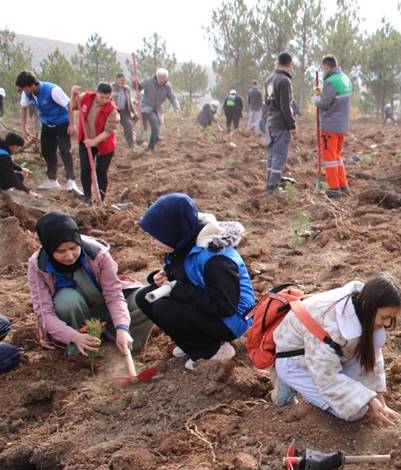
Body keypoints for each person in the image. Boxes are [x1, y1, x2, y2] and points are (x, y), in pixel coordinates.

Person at [135, 193, 254, 370]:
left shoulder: (216, 259)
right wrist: (161, 277)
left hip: (232, 319)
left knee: (164, 308)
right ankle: (193, 342)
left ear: (172, 231)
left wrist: (177, 289)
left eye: (155, 236)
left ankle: (213, 350)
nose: (151, 242)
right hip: (208, 305)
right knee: (144, 297)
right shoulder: (182, 242)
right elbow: (183, 272)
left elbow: (225, 306)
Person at [272, 274, 401, 425]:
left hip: (328, 355)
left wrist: (380, 399)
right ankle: (284, 385)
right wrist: (368, 400)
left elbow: (372, 356)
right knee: (355, 411)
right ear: (368, 305)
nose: (387, 323)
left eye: (391, 318)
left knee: (377, 337)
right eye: (384, 317)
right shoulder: (330, 322)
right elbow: (325, 376)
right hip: (296, 358)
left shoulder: (363, 309)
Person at [26, 211, 152, 357]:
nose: (69, 256)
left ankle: (121, 343)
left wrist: (122, 327)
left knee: (146, 298)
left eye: (73, 248)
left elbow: (114, 296)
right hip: (73, 319)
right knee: (66, 300)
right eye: (61, 251)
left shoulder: (98, 254)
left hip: (104, 307)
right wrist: (73, 336)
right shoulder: (38, 265)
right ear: (48, 249)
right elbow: (44, 313)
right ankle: (82, 347)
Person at [15, 71, 80, 193]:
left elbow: (69, 106)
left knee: (64, 149)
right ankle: (52, 179)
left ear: (31, 85)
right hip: (47, 123)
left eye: (23, 88)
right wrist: (24, 127)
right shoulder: (27, 94)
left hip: (62, 122)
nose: (22, 91)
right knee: (46, 150)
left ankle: (71, 181)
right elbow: (23, 108)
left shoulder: (53, 90)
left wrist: (72, 124)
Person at [70, 83, 120, 206]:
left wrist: (94, 141)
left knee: (101, 172)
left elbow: (109, 131)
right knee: (86, 169)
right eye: (102, 97)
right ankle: (87, 196)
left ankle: (100, 199)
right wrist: (73, 94)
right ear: (96, 93)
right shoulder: (86, 97)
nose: (105, 100)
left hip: (104, 144)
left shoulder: (112, 110)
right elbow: (73, 106)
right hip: (85, 140)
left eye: (107, 98)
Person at [312, 55, 353, 199]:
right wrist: (319, 90)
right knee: (336, 157)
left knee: (329, 158)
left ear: (327, 66)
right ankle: (343, 186)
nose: (323, 71)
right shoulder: (345, 79)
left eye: (323, 68)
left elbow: (324, 103)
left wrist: (315, 98)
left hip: (330, 126)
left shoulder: (330, 82)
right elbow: (332, 98)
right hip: (342, 126)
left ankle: (334, 189)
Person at [265, 53, 297, 194]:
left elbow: (266, 102)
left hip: (271, 123)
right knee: (279, 156)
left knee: (272, 155)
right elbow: (286, 106)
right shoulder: (284, 81)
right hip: (281, 124)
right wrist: (292, 125)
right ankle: (273, 187)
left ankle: (270, 183)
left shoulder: (270, 80)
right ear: (289, 64)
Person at [134, 68, 180, 151]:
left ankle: (151, 146)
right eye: (160, 78)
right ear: (156, 76)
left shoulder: (167, 87)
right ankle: (144, 141)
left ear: (166, 78)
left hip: (157, 109)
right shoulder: (148, 82)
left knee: (157, 124)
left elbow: (172, 98)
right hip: (146, 107)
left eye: (163, 78)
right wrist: (135, 82)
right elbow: (138, 87)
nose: (161, 80)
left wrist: (176, 106)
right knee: (154, 123)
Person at [113, 73, 138, 149]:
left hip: (124, 111)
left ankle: (131, 144)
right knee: (110, 128)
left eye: (125, 80)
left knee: (129, 125)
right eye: (122, 80)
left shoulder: (126, 89)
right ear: (117, 80)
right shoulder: (111, 87)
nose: (123, 82)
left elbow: (129, 102)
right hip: (113, 111)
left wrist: (134, 112)